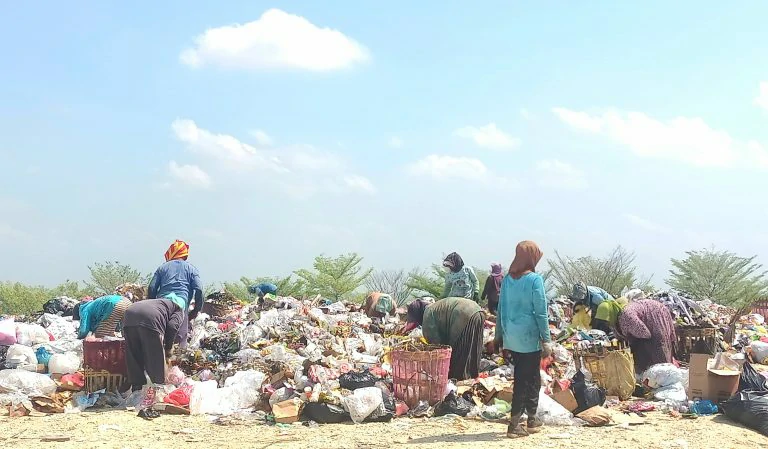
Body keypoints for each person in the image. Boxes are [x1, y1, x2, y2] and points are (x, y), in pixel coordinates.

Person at [494, 241, 550, 437]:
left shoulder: (508, 279)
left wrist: (499, 336)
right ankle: (515, 423)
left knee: (531, 377)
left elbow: (501, 309)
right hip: (529, 338)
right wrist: (546, 339)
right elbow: (541, 313)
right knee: (526, 380)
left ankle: (532, 419)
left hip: (512, 337)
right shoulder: (535, 280)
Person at [122, 297, 184, 419]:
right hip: (149, 319)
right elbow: (172, 327)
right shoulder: (179, 310)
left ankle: (137, 390)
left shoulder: (160, 303)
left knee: (134, 354)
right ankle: (158, 390)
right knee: (155, 356)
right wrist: (168, 349)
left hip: (129, 316)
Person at [403, 297, 484, 380]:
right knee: (473, 347)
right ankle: (473, 376)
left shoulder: (427, 315)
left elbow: (437, 346)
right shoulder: (434, 308)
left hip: (462, 314)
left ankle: (460, 379)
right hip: (477, 310)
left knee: (460, 351)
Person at [593, 298, 677, 373]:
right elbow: (621, 337)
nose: (606, 323)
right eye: (605, 321)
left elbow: (645, 334)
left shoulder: (626, 315)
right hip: (648, 321)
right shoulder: (614, 320)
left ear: (611, 313)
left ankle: (664, 376)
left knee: (658, 345)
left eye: (606, 320)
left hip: (655, 313)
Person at [147, 240, 203, 348]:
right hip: (180, 305)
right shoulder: (191, 269)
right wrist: (196, 310)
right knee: (180, 340)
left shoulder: (162, 267)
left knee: (159, 338)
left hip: (161, 304)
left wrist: (152, 304)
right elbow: (199, 289)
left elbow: (152, 287)